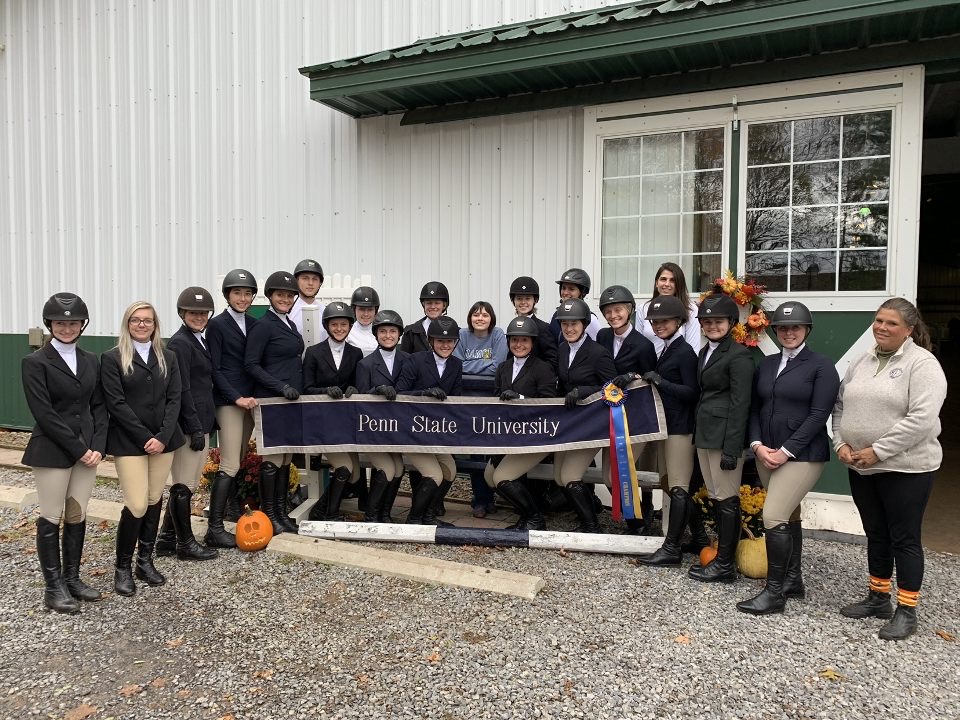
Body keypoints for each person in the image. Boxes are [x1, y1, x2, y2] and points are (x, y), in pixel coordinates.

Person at [833, 298, 947, 640]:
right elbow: (840, 405)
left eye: (891, 323)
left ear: (909, 330)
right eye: (878, 320)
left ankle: (907, 609)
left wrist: (878, 451)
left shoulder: (922, 364)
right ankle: (878, 597)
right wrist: (840, 443)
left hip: (906, 469)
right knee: (877, 533)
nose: (881, 327)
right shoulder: (863, 361)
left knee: (904, 538)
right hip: (862, 466)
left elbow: (922, 420)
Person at [736, 302, 840, 614]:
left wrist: (786, 451)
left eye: (795, 327)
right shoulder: (766, 364)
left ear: (806, 329)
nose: (788, 332)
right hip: (765, 452)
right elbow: (754, 408)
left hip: (803, 455)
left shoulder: (822, 366)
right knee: (790, 515)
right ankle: (793, 580)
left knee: (773, 516)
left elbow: (819, 415)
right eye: (782, 327)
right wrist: (755, 444)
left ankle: (774, 592)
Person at [21, 293, 107, 613]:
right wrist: (80, 449)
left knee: (77, 513)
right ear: (50, 324)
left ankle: (72, 578)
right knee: (51, 515)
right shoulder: (34, 363)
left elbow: (98, 406)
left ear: (82, 325)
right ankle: (53, 586)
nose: (67, 328)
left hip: (88, 451)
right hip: (53, 450)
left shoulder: (90, 360)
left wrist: (97, 446)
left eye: (73, 323)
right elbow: (44, 413)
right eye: (61, 322)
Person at [101, 301, 184, 596]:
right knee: (136, 503)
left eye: (147, 320)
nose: (141, 324)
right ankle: (122, 567)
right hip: (129, 442)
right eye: (135, 320)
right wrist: (144, 436)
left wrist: (162, 436)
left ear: (155, 324)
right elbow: (116, 403)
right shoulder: (112, 359)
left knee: (153, 498)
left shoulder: (168, 357)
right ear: (127, 324)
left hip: (164, 441)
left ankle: (144, 562)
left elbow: (175, 398)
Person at [686, 290, 754, 583]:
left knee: (727, 498)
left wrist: (732, 449)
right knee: (715, 496)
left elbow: (741, 405)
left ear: (730, 322)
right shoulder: (705, 352)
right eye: (707, 321)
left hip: (724, 437)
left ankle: (725, 564)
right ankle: (721, 557)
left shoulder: (738, 355)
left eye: (718, 321)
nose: (712, 326)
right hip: (705, 434)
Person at [631, 296, 700, 567]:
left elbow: (691, 392)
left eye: (664, 321)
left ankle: (671, 548)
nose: (659, 326)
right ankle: (701, 538)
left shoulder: (684, 352)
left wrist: (661, 382)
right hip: (666, 425)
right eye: (655, 322)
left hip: (680, 429)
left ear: (679, 322)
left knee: (678, 486)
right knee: (668, 483)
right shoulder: (667, 349)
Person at [157, 287, 220, 562]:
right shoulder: (181, 343)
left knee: (188, 484)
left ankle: (166, 538)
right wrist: (194, 426)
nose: (199, 317)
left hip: (202, 420)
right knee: (183, 484)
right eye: (193, 313)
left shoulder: (199, 339)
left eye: (203, 312)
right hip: (188, 426)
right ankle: (185, 543)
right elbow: (180, 388)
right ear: (183, 313)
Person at [244, 270, 304, 536]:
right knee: (273, 458)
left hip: (290, 400)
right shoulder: (263, 325)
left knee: (285, 458)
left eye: (290, 295)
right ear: (270, 296)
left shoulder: (289, 323)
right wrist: (281, 387)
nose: (286, 299)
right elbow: (252, 364)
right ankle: (269, 514)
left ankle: (280, 511)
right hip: (272, 399)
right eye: (281, 294)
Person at [484, 316, 557, 530]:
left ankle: (535, 518)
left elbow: (549, 403)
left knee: (502, 477)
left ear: (532, 343)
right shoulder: (503, 368)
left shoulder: (543, 368)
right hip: (508, 434)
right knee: (489, 476)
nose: (519, 345)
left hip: (534, 436)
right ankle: (526, 515)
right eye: (514, 340)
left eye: (524, 340)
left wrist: (521, 399)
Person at [596, 285, 658, 532]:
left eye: (618, 309)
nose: (613, 315)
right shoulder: (602, 337)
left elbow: (650, 378)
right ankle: (637, 513)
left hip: (633, 417)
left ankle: (637, 522)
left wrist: (632, 375)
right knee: (606, 475)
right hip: (607, 416)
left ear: (629, 310)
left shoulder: (643, 345)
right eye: (608, 311)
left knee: (622, 470)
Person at [554, 298, 618, 533]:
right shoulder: (561, 349)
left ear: (584, 324)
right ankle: (591, 508)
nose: (569, 329)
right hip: (569, 423)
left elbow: (613, 388)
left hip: (592, 423)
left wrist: (585, 391)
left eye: (574, 324)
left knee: (570, 476)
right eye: (565, 324)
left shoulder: (598, 353)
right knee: (559, 478)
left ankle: (591, 526)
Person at [206, 268, 259, 547]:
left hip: (250, 399)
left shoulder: (253, 322)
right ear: (228, 295)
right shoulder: (217, 325)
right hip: (229, 401)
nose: (242, 297)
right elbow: (215, 369)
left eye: (247, 293)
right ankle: (213, 527)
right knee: (229, 461)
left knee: (238, 457)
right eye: (237, 292)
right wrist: (235, 397)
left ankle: (234, 510)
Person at [396, 315, 463, 526]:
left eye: (450, 341)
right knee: (434, 474)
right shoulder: (414, 361)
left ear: (455, 343)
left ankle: (429, 514)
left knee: (450, 469)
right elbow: (399, 394)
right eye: (440, 341)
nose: (445, 345)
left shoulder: (456, 365)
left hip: (438, 431)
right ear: (431, 341)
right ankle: (414, 518)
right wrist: (423, 394)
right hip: (413, 431)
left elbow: (456, 399)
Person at [304, 301, 363, 521]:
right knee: (345, 468)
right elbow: (307, 388)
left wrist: (354, 389)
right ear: (327, 326)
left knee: (355, 474)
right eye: (335, 324)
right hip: (322, 422)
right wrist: (325, 390)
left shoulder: (356, 353)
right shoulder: (313, 353)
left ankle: (321, 509)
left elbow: (357, 384)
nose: (339, 328)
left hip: (345, 423)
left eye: (343, 324)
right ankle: (327, 512)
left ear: (349, 326)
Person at [355, 310, 411, 522]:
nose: (388, 335)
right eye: (383, 331)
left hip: (397, 430)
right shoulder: (366, 364)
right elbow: (360, 400)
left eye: (393, 331)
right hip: (373, 430)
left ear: (399, 334)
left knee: (398, 469)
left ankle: (384, 513)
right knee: (388, 468)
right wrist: (375, 391)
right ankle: (371, 515)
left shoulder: (408, 360)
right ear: (376, 334)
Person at [454, 300, 508, 518]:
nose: (480, 318)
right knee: (475, 452)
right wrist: (485, 366)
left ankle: (490, 497)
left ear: (491, 318)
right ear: (470, 318)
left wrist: (469, 366)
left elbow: (499, 365)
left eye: (485, 315)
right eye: (476, 314)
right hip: (468, 403)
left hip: (492, 403)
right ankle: (480, 500)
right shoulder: (462, 335)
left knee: (492, 452)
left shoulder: (498, 335)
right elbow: (455, 365)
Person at [638, 262, 702, 355]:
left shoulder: (690, 309)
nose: (667, 284)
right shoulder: (643, 308)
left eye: (672, 280)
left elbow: (693, 350)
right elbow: (639, 345)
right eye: (663, 279)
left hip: (676, 366)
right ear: (656, 283)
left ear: (679, 284)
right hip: (649, 366)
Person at [509, 276, 558, 370]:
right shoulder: (512, 326)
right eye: (519, 298)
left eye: (527, 298)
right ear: (513, 301)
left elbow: (552, 360)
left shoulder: (543, 328)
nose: (523, 302)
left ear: (535, 300)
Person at [549, 268, 603, 342]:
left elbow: (599, 346)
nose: (565, 292)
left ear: (583, 292)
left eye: (571, 289)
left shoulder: (591, 319)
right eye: (563, 288)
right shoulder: (555, 315)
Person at [400, 281, 449, 355]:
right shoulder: (411, 332)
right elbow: (405, 361)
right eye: (429, 303)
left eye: (437, 303)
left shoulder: (455, 331)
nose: (433, 307)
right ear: (424, 305)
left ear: (444, 305)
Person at [288, 258, 327, 342]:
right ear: (296, 281)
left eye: (315, 279)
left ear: (320, 283)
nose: (310, 283)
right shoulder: (288, 310)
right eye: (305, 278)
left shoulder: (325, 311)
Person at [346, 286, 381, 357]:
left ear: (375, 311)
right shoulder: (347, 331)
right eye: (361, 309)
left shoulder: (382, 330)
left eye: (370, 309)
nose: (366, 314)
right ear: (354, 310)